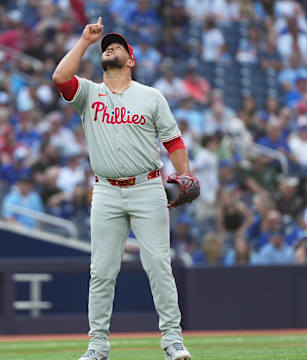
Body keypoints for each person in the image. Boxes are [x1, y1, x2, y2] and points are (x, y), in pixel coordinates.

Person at [52, 17, 197, 360]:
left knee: (158, 264)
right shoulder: (89, 92)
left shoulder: (150, 96)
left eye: (116, 46)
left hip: (147, 186)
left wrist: (186, 176)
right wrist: (86, 41)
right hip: (105, 191)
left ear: (130, 60)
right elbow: (60, 78)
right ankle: (98, 345)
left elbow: (174, 143)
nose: (109, 48)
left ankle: (173, 341)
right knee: (101, 270)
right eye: (107, 47)